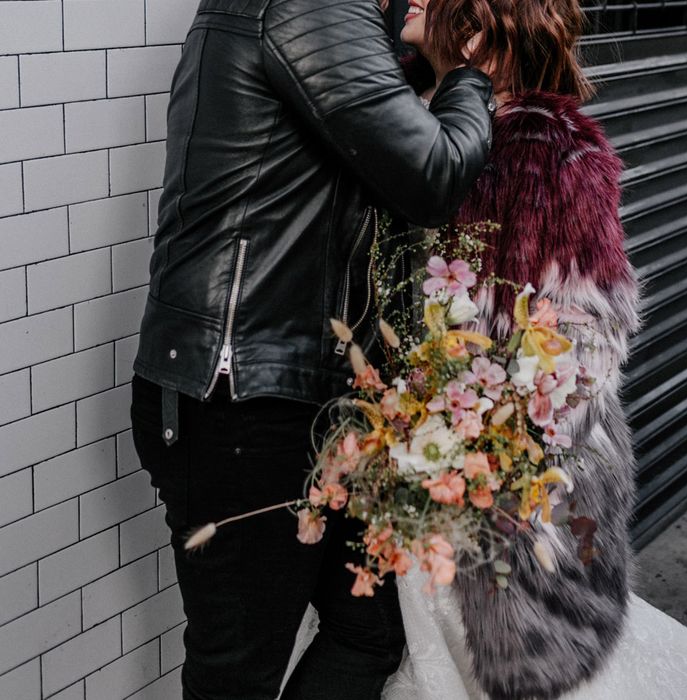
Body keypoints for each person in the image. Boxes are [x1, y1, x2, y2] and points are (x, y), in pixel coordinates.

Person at [292, 0, 687, 698]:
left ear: (488, 23)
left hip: (480, 485)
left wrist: (481, 439)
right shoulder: (389, 115)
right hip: (378, 458)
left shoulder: (551, 157)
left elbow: (587, 338)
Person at [129, 1, 495, 698]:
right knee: (237, 676)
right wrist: (466, 74)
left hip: (293, 399)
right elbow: (434, 174)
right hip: (242, 402)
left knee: (370, 630)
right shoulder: (313, 6)